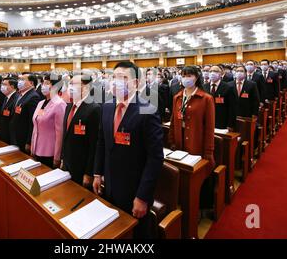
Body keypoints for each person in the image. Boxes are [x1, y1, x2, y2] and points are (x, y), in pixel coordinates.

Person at [93, 61, 164, 239]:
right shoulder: (107, 107)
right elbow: (101, 142)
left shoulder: (148, 110)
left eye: (123, 78)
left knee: (137, 235)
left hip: (134, 188)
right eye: (115, 77)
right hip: (109, 184)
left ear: (136, 83)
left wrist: (142, 196)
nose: (117, 82)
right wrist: (97, 172)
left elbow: (155, 158)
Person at [168, 66, 216, 170]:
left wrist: (209, 151)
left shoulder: (206, 98)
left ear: (197, 78)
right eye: (183, 76)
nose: (186, 79)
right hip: (179, 141)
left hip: (196, 141)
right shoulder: (177, 97)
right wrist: (171, 141)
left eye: (189, 76)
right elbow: (173, 121)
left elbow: (209, 127)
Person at [61, 73, 101, 187]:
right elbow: (66, 135)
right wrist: (63, 158)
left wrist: (89, 173)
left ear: (86, 87)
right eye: (70, 84)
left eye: (73, 84)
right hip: (68, 162)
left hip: (81, 166)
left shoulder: (94, 109)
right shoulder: (69, 106)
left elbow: (94, 144)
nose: (70, 87)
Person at [30, 73, 66, 169]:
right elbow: (36, 124)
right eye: (43, 83)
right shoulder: (41, 103)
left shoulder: (60, 104)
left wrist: (57, 156)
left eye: (47, 83)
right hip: (37, 148)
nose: (43, 86)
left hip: (49, 152)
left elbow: (60, 133)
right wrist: (32, 146)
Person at [10, 73, 41, 153]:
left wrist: (29, 141)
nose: (19, 81)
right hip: (16, 134)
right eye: (19, 79)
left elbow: (32, 121)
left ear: (31, 83)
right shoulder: (20, 95)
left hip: (23, 137)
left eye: (22, 80)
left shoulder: (33, 97)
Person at [203, 65, 237, 130]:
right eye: (210, 71)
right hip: (207, 121)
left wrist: (230, 124)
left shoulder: (228, 87)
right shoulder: (204, 87)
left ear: (221, 74)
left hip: (222, 123)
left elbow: (232, 108)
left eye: (215, 71)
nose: (212, 73)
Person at [0, 78, 19, 144]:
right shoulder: (6, 97)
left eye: (4, 84)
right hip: (3, 130)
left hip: (10, 132)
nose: (2, 86)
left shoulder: (16, 97)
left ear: (12, 86)